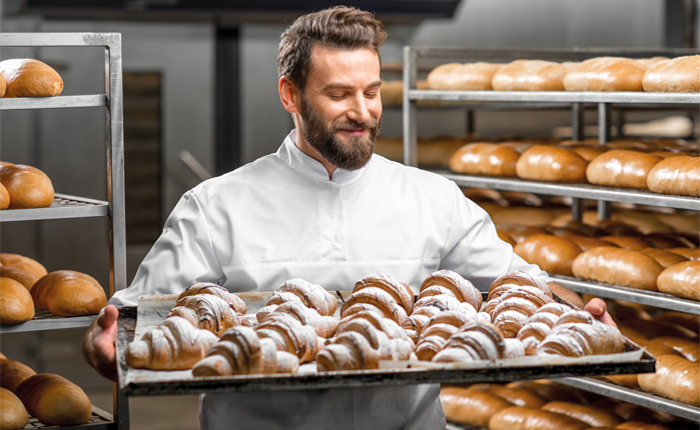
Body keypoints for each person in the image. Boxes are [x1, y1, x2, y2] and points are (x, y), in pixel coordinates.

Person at [83, 6, 615, 430]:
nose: (362, 111)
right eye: (339, 94)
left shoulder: (433, 197)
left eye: (371, 91)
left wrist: (579, 315)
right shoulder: (215, 205)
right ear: (290, 95)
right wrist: (104, 343)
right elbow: (133, 321)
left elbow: (521, 284)